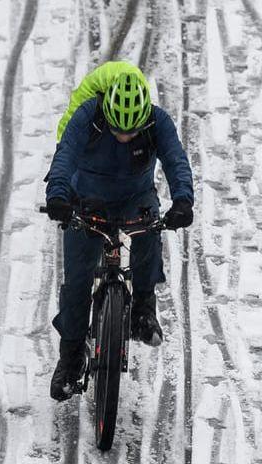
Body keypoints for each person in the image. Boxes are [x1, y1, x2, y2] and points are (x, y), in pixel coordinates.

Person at [43, 61, 195, 401]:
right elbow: (65, 155)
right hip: (86, 200)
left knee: (150, 229)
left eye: (132, 131)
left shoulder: (158, 122)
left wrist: (183, 200)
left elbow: (175, 160)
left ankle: (143, 308)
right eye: (117, 130)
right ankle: (70, 358)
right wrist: (57, 195)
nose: (124, 136)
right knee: (78, 280)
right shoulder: (87, 116)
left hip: (133, 197)